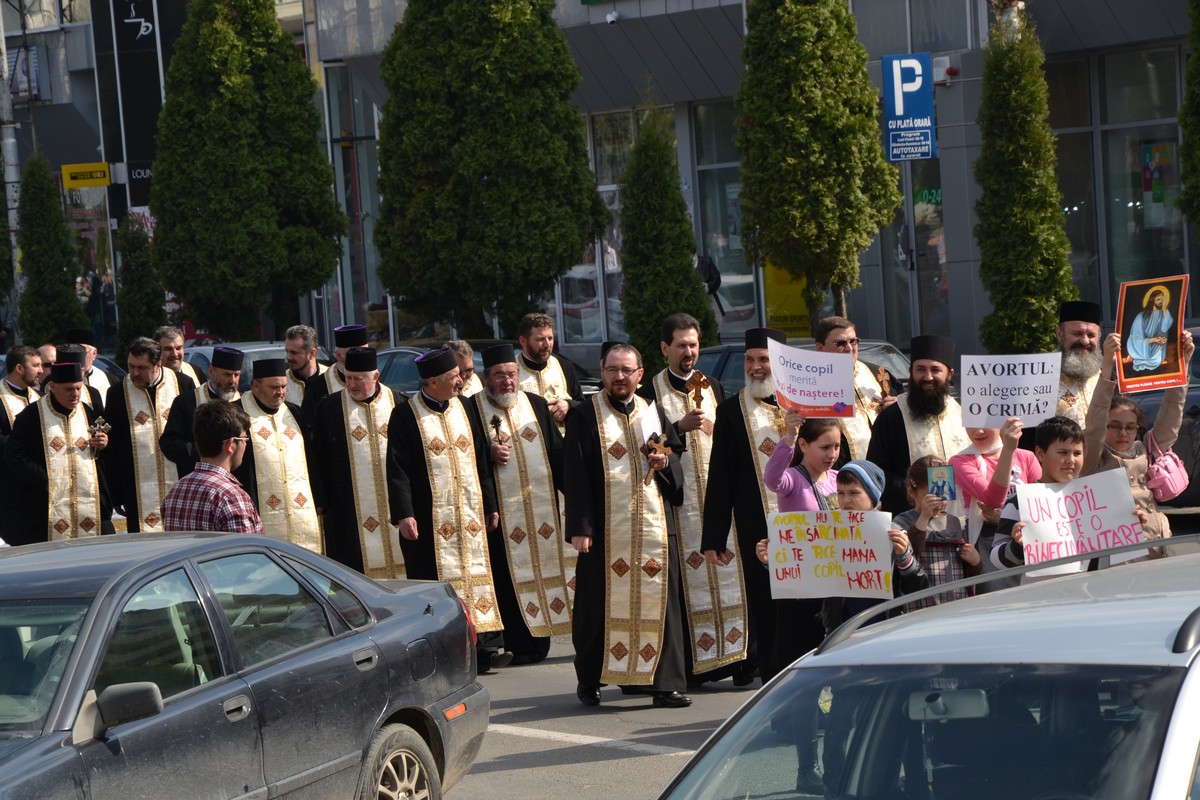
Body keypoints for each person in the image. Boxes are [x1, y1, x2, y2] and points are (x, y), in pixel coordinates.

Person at [566, 342, 689, 708]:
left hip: (652, 529)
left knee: (661, 605)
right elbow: (575, 475)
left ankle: (663, 684)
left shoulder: (653, 414)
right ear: (602, 372)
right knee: (595, 608)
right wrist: (581, 527)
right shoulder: (585, 414)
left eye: (627, 370)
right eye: (612, 370)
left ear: (639, 374)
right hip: (604, 530)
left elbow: (673, 459)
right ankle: (590, 680)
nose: (619, 377)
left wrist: (664, 463)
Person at [639, 313, 750, 686]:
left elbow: (729, 440)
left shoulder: (712, 385)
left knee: (729, 574)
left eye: (694, 345)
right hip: (678, 503)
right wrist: (678, 431)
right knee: (687, 582)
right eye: (682, 345)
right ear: (665, 348)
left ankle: (734, 660)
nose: (689, 352)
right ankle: (693, 666)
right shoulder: (650, 393)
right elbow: (646, 446)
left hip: (718, 500)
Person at [386, 346, 507, 671]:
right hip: (428, 520)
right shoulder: (405, 414)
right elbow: (396, 468)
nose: (460, 382)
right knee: (434, 585)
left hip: (469, 515)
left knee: (477, 575)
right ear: (433, 381)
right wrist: (404, 513)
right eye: (455, 377)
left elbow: (482, 459)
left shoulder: (465, 406)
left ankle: (484, 648)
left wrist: (490, 504)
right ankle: (442, 650)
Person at [469, 343, 570, 665]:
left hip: (539, 513)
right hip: (498, 513)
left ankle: (534, 644)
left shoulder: (536, 405)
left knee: (540, 574)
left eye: (512, 375)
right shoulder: (471, 408)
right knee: (503, 578)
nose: (507, 382)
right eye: (500, 376)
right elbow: (460, 456)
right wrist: (488, 454)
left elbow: (557, 452)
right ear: (487, 378)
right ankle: (503, 642)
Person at [702, 327, 788, 686]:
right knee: (767, 612)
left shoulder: (806, 406)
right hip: (756, 530)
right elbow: (720, 478)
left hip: (809, 528)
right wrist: (713, 537)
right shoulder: (731, 411)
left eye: (763, 360)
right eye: (750, 360)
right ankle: (771, 683)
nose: (755, 367)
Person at [1083, 330, 1193, 551]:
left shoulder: (1146, 449)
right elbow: (1095, 422)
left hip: (1158, 543)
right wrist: (1107, 364)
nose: (1123, 433)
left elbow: (1172, 414)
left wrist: (1182, 364)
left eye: (1130, 427)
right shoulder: (1094, 457)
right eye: (1114, 426)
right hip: (1121, 551)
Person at [313, 346, 404, 577]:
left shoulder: (398, 402)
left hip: (394, 507)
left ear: (375, 377)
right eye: (348, 377)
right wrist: (321, 500)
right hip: (347, 510)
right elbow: (318, 458)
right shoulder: (329, 408)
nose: (351, 384)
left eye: (358, 379)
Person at [760, 414, 840, 676]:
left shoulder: (840, 480)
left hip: (834, 578)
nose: (832, 454)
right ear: (804, 445)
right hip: (800, 581)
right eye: (825, 447)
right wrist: (788, 438)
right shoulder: (793, 479)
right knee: (796, 649)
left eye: (836, 446)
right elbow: (772, 479)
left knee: (828, 649)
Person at [5, 361, 113, 544]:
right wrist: (46, 478)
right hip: (44, 505)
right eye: (69, 389)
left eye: (79, 389)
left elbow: (103, 450)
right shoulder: (31, 416)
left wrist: (102, 444)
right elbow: (14, 457)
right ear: (53, 387)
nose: (75, 395)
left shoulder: (87, 412)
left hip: (89, 503)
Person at [866, 334, 970, 514]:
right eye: (920, 369)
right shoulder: (891, 417)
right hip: (910, 521)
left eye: (935, 370)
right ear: (911, 372)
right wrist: (918, 490)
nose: (927, 377)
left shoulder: (961, 414)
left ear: (949, 374)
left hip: (959, 519)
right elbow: (876, 475)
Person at [104, 336, 195, 532]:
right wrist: (117, 493)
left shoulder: (183, 385)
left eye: (142, 368)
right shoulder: (118, 392)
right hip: (136, 489)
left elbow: (194, 435)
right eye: (131, 366)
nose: (134, 373)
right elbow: (113, 447)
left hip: (181, 481)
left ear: (157, 364)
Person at [234, 358, 322, 551]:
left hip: (300, 511)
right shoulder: (237, 413)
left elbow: (310, 458)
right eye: (274, 387)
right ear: (256, 386)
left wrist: (319, 498)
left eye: (283, 386)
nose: (280, 392)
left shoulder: (294, 412)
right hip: (258, 508)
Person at [949, 417, 1041, 566]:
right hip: (984, 542)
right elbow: (993, 499)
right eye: (971, 424)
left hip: (1027, 536)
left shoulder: (1026, 457)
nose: (978, 432)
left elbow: (1041, 504)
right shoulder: (960, 461)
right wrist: (1008, 450)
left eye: (986, 424)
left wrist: (1004, 519)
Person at [892, 456, 981, 608]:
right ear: (912, 492)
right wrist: (923, 518)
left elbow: (969, 570)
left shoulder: (955, 522)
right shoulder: (902, 521)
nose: (937, 501)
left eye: (942, 495)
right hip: (921, 606)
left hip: (956, 606)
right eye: (930, 496)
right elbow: (906, 557)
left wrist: (976, 561)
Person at [161, 400, 263, 533]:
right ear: (230, 444)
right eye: (244, 439)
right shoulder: (231, 498)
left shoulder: (175, 492)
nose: (245, 444)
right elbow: (246, 552)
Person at [812, 316, 898, 464]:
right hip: (840, 472)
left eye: (853, 341)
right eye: (840, 343)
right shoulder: (811, 384)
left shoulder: (879, 374)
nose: (849, 348)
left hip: (885, 468)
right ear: (820, 347)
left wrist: (898, 407)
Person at [160, 346, 244, 477]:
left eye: (236, 375)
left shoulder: (243, 404)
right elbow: (170, 444)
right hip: (197, 479)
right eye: (227, 374)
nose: (232, 381)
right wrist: (210, 451)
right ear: (211, 371)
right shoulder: (185, 402)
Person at [0, 346, 43, 543]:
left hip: (37, 489)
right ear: (19, 368)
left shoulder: (40, 398)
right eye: (35, 365)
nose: (41, 371)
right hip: (10, 490)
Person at [516, 312, 582, 433]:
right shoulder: (511, 371)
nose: (547, 344)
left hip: (564, 444)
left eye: (550, 338)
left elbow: (582, 404)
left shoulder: (565, 367)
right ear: (523, 341)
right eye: (540, 339)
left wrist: (568, 405)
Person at [301, 323, 367, 427]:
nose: (363, 358)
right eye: (356, 354)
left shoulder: (374, 380)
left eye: (366, 352)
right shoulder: (318, 387)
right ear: (339, 356)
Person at [1054, 300, 1105, 428]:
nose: (1085, 341)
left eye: (1091, 335)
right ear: (1059, 334)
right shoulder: (1042, 378)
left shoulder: (1109, 377)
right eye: (1077, 333)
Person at [1124, 287, 1174, 372]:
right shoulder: (1141, 317)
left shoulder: (1164, 314)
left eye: (1162, 299)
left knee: (1156, 361)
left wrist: (1162, 340)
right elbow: (1136, 339)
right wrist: (1153, 340)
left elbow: (1164, 330)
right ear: (1152, 300)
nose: (1161, 301)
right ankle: (1134, 357)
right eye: (1158, 299)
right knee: (1143, 361)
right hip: (1142, 349)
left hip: (1157, 350)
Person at [283, 324, 327, 406]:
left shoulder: (330, 377)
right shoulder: (282, 383)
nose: (288, 357)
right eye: (287, 351)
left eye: (294, 353)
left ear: (312, 353)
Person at [54, 344, 105, 412]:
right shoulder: (45, 390)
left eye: (80, 370)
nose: (75, 394)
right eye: (68, 389)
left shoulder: (93, 393)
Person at [65, 328, 111, 403]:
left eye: (82, 353)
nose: (77, 357)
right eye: (73, 353)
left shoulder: (110, 380)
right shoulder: (55, 381)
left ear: (94, 354)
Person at [694, 248, 723, 320]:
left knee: (714, 322)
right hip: (691, 303)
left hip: (708, 299)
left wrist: (707, 287)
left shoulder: (706, 261)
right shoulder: (681, 265)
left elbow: (716, 279)